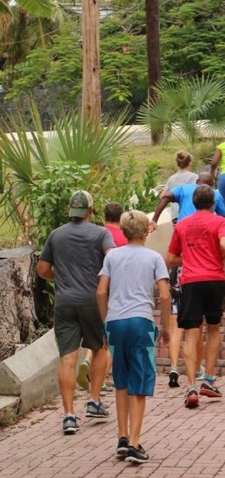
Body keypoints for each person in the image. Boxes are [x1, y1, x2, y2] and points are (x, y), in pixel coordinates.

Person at [37, 190, 115, 435]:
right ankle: (93, 400)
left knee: (67, 359)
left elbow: (42, 269)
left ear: (71, 210)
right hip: (93, 301)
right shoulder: (101, 233)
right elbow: (112, 258)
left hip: (65, 303)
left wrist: (59, 277)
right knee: (101, 347)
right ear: (90, 210)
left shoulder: (56, 235)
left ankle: (69, 415)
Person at [97, 210, 170, 464]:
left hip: (115, 321)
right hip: (141, 321)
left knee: (121, 380)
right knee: (139, 381)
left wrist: (105, 322)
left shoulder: (112, 256)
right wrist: (168, 327)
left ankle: (122, 437)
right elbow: (164, 295)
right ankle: (135, 444)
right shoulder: (154, 258)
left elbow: (101, 292)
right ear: (146, 231)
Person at [166, 185, 225, 409]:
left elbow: (171, 257)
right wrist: (224, 252)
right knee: (213, 328)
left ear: (193, 203)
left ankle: (192, 385)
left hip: (191, 281)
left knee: (191, 334)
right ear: (213, 203)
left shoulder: (183, 224)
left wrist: (189, 259)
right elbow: (224, 244)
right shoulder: (220, 222)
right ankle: (209, 379)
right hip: (215, 280)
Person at [77, 201, 128, 393]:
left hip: (95, 288)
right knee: (109, 338)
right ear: (121, 218)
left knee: (96, 336)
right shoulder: (123, 238)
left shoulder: (97, 233)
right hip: (115, 291)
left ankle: (87, 359)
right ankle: (103, 379)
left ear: (105, 217)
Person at [151, 172, 225, 230]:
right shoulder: (216, 194)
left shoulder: (183, 188)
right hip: (205, 231)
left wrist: (154, 220)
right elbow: (224, 217)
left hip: (183, 228)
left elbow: (166, 197)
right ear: (213, 183)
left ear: (197, 181)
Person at [160, 151, 198, 222]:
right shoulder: (194, 177)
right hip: (190, 214)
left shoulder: (171, 178)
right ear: (190, 163)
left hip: (175, 216)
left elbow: (162, 196)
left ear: (177, 164)